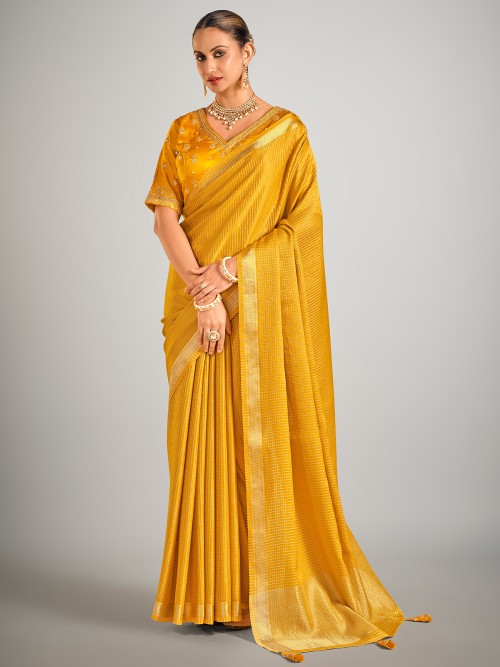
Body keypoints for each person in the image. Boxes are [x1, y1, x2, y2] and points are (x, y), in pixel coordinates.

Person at [144, 9, 432, 662]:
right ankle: (209, 596)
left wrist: (230, 273)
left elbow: (302, 226)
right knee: (198, 444)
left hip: (257, 305)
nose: (209, 68)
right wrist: (202, 292)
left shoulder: (286, 132)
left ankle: (261, 593)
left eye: (219, 53)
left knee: (262, 438)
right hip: (194, 306)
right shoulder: (182, 131)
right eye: (199, 57)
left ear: (248, 52)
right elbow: (164, 214)